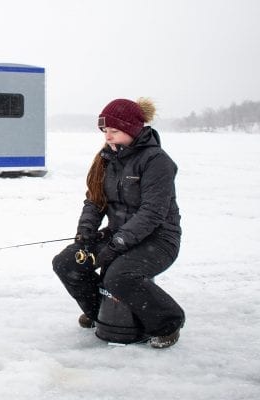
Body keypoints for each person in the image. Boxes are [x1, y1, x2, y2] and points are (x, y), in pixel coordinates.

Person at [52, 98, 185, 349]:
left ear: (133, 129)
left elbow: (152, 213)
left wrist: (115, 245)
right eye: (105, 131)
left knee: (119, 276)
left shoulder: (157, 161)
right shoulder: (106, 159)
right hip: (117, 235)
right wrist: (86, 234)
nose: (108, 137)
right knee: (67, 262)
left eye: (114, 131)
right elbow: (95, 202)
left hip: (159, 239)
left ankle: (168, 323)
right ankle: (99, 311)